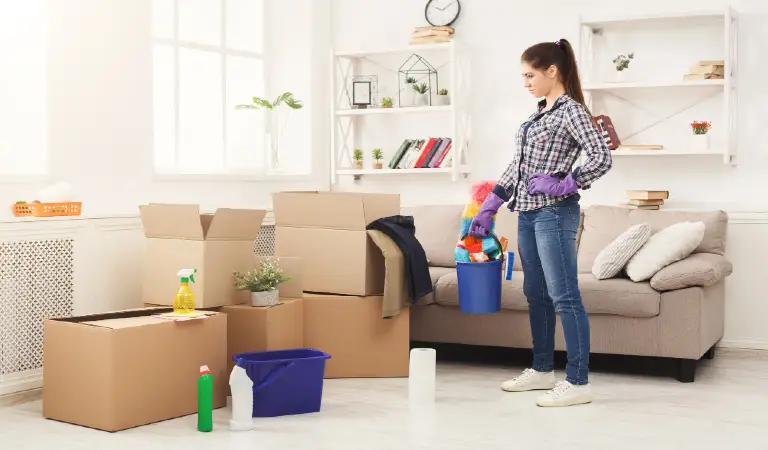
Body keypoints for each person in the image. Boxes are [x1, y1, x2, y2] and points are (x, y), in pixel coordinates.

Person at [469, 38, 612, 407]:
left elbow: (601, 156)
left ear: (552, 71)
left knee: (565, 296)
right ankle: (542, 370)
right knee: (537, 295)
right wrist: (490, 205)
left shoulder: (572, 111)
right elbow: (516, 167)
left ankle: (578, 382)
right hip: (528, 214)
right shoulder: (537, 115)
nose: (526, 82)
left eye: (530, 74)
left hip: (554, 213)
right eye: (523, 76)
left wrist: (567, 183)